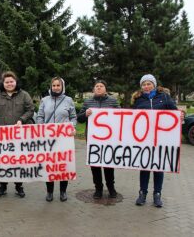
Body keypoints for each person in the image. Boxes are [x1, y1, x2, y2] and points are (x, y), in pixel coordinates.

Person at [132, 74, 182, 207]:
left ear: (154, 85)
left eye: (148, 84)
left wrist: (180, 116)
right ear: (141, 87)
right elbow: (132, 119)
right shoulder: (138, 99)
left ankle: (157, 194)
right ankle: (142, 193)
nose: (146, 86)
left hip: (161, 140)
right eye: (144, 84)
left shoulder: (164, 97)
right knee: (145, 167)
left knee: (159, 167)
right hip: (144, 140)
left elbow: (174, 114)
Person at [0, 71, 34, 198]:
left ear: (15, 82)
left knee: (18, 161)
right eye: (7, 82)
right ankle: (2, 186)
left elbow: (30, 109)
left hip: (19, 135)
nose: (9, 84)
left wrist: (22, 120)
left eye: (11, 81)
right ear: (3, 83)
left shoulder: (24, 95)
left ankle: (19, 187)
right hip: (1, 136)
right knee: (3, 161)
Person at [77, 80, 120, 199]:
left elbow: (121, 117)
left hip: (109, 139)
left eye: (101, 86)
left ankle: (111, 188)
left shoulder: (113, 101)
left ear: (105, 89)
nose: (99, 88)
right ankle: (98, 189)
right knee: (95, 165)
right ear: (93, 89)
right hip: (92, 140)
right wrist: (85, 114)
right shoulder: (88, 102)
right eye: (97, 86)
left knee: (108, 164)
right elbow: (79, 119)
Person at [36, 77, 77, 202]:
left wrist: (72, 128)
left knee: (63, 165)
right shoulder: (44, 100)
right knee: (49, 165)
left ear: (62, 86)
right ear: (51, 86)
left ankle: (63, 191)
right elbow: (40, 117)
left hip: (64, 139)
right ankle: (49, 192)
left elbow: (73, 117)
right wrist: (41, 129)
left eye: (58, 85)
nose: (56, 87)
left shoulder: (68, 100)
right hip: (48, 139)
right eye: (53, 85)